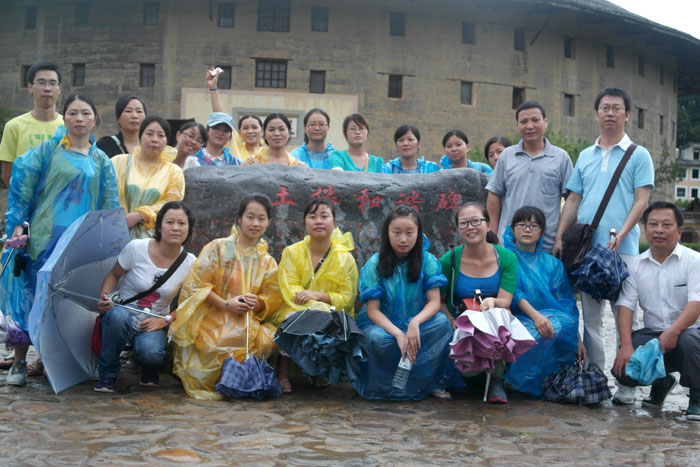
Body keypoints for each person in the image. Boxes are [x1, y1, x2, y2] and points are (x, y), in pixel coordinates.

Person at [2, 93, 119, 386]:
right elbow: (22, 185)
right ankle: (19, 361)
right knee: (31, 296)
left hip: (79, 243)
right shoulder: (47, 151)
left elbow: (109, 206)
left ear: (95, 119)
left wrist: (107, 242)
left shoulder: (102, 161)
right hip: (44, 237)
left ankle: (49, 358)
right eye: (73, 113)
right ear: (64, 118)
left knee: (65, 300)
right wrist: (17, 224)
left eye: (85, 113)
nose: (79, 119)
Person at [553, 87, 654, 405]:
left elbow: (642, 200)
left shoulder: (639, 154)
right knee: (592, 319)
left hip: (622, 251)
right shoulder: (585, 155)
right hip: (588, 251)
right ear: (596, 114)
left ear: (627, 114)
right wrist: (559, 236)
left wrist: (622, 234)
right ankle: (595, 381)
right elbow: (573, 199)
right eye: (604, 108)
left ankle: (627, 381)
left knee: (626, 316)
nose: (610, 113)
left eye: (616, 108)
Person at [171, 194, 282, 400]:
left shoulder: (266, 261)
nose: (255, 223)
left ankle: (238, 381)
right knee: (217, 340)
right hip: (213, 314)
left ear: (268, 222)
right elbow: (198, 286)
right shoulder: (218, 248)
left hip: (246, 320)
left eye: (261, 218)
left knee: (269, 340)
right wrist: (226, 304)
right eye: (250, 217)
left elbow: (271, 299)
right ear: (239, 219)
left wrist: (254, 303)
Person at [354, 205, 455, 401]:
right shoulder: (375, 263)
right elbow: (373, 311)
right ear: (387, 233)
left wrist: (415, 322)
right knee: (377, 339)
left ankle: (431, 382)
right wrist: (398, 333)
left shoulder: (427, 260)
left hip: (416, 321)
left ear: (418, 233)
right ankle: (385, 385)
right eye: (397, 232)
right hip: (383, 325)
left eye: (409, 233)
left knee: (442, 324)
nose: (403, 239)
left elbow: (434, 302)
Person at [93, 201, 196, 392]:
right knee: (117, 317)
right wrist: (104, 295)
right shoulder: (136, 248)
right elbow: (113, 275)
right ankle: (107, 374)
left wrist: (165, 321)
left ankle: (148, 367)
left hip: (153, 322)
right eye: (169, 222)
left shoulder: (190, 263)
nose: (175, 228)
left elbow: (192, 303)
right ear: (159, 226)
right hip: (123, 314)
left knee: (152, 353)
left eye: (182, 223)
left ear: (189, 229)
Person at [612, 202, 700, 420]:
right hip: (654, 334)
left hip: (691, 333)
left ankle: (697, 397)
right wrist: (626, 345)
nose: (659, 230)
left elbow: (696, 303)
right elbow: (626, 305)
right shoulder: (635, 265)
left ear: (679, 231)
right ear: (646, 229)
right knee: (623, 370)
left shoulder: (694, 261)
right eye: (653, 224)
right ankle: (662, 381)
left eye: (666, 225)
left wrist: (673, 331)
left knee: (689, 342)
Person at [269, 198, 358, 393]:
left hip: (331, 311)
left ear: (334, 223)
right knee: (295, 319)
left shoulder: (345, 259)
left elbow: (347, 297)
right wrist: (311, 304)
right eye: (312, 217)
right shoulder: (292, 252)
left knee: (325, 318)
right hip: (295, 307)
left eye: (324, 216)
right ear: (305, 222)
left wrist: (319, 297)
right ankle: (282, 372)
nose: (318, 221)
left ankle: (319, 370)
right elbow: (289, 287)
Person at [439, 202, 517, 403]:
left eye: (476, 221)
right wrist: (451, 319)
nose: (470, 227)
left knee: (502, 315)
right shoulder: (449, 260)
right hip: (461, 318)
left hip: (493, 317)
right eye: (464, 223)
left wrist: (493, 301)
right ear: (458, 229)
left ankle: (497, 380)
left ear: (488, 225)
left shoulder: (506, 258)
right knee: (468, 372)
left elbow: (505, 300)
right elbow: (439, 300)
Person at [502, 206, 585, 396]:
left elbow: (566, 302)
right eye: (522, 224)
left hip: (552, 318)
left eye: (533, 225)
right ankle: (518, 382)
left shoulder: (552, 264)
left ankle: (547, 381)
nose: (527, 229)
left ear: (541, 231)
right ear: (513, 229)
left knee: (562, 324)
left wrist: (578, 338)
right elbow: (515, 293)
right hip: (518, 316)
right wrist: (537, 317)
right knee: (540, 330)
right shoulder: (506, 259)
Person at [486, 101, 572, 253]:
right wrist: (493, 234)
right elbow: (494, 194)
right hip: (509, 244)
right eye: (524, 121)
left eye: (535, 120)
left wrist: (561, 237)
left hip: (547, 245)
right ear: (517, 125)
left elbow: (572, 201)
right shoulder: (507, 156)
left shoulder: (561, 157)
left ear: (545, 122)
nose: (529, 126)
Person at [111, 116, 186, 239]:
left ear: (167, 140)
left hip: (151, 239)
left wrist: (140, 215)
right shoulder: (119, 162)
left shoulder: (174, 172)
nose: (154, 139)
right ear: (140, 136)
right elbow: (107, 195)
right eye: (149, 134)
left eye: (161, 135)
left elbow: (171, 204)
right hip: (115, 232)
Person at [0, 61, 63, 188]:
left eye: (52, 83)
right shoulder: (14, 126)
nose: (47, 88)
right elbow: (7, 175)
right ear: (30, 87)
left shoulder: (68, 126)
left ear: (59, 89)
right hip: (25, 199)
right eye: (41, 83)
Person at [206, 68, 266, 162]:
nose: (250, 131)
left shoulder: (270, 153)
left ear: (262, 131)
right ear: (239, 133)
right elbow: (220, 116)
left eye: (254, 127)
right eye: (245, 128)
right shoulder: (235, 149)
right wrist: (213, 87)